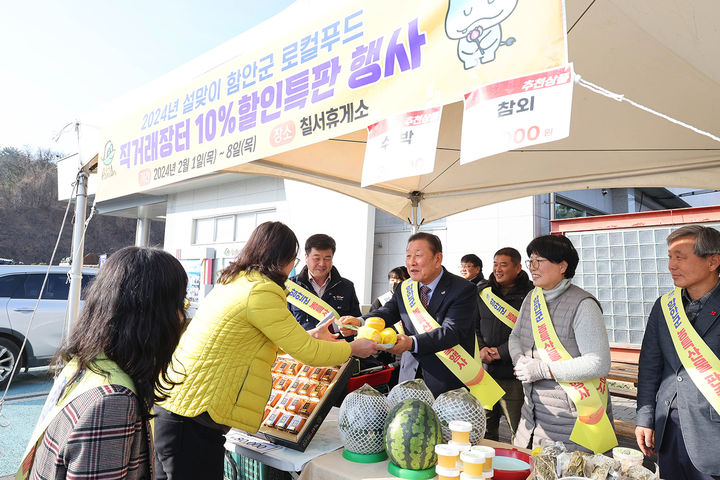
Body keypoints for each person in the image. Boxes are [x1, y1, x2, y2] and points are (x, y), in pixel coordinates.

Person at [154, 222, 379, 480]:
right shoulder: (262, 290)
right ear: (282, 258)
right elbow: (308, 354)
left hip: (178, 407)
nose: (293, 266)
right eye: (293, 259)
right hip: (195, 416)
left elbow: (266, 338)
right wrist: (352, 348)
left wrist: (313, 334)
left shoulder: (235, 281)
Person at [21, 247, 188, 480]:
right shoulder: (114, 402)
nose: (182, 315)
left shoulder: (87, 364)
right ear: (154, 316)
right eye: (181, 303)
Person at [508, 235, 614, 453]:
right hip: (533, 412)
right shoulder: (532, 297)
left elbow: (598, 363)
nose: (532, 267)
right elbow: (515, 336)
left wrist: (542, 369)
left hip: (574, 419)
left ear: (563, 266)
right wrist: (519, 360)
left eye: (539, 261)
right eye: (531, 261)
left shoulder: (583, 304)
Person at [340, 232, 478, 397]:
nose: (411, 262)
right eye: (408, 256)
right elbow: (388, 311)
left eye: (418, 255)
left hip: (446, 381)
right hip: (409, 377)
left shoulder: (463, 289)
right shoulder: (405, 287)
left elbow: (452, 332)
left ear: (437, 258)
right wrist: (360, 322)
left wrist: (411, 343)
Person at [636, 225, 720, 479]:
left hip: (712, 434)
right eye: (670, 258)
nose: (672, 265)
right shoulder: (664, 306)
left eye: (680, 257)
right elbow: (650, 367)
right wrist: (644, 417)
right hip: (667, 429)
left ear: (713, 261)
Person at [476, 247, 533, 442]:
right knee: (485, 429)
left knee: (518, 430)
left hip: (514, 374)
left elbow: (532, 332)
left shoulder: (532, 294)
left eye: (504, 264)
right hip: (485, 373)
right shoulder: (484, 292)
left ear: (517, 268)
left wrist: (502, 352)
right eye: (495, 264)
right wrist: (481, 348)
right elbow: (473, 325)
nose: (498, 269)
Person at [288, 233, 362, 330]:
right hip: (305, 344)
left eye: (327, 258)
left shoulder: (347, 286)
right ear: (306, 257)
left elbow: (356, 322)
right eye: (316, 258)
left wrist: (352, 329)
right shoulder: (291, 286)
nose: (322, 263)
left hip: (338, 344)